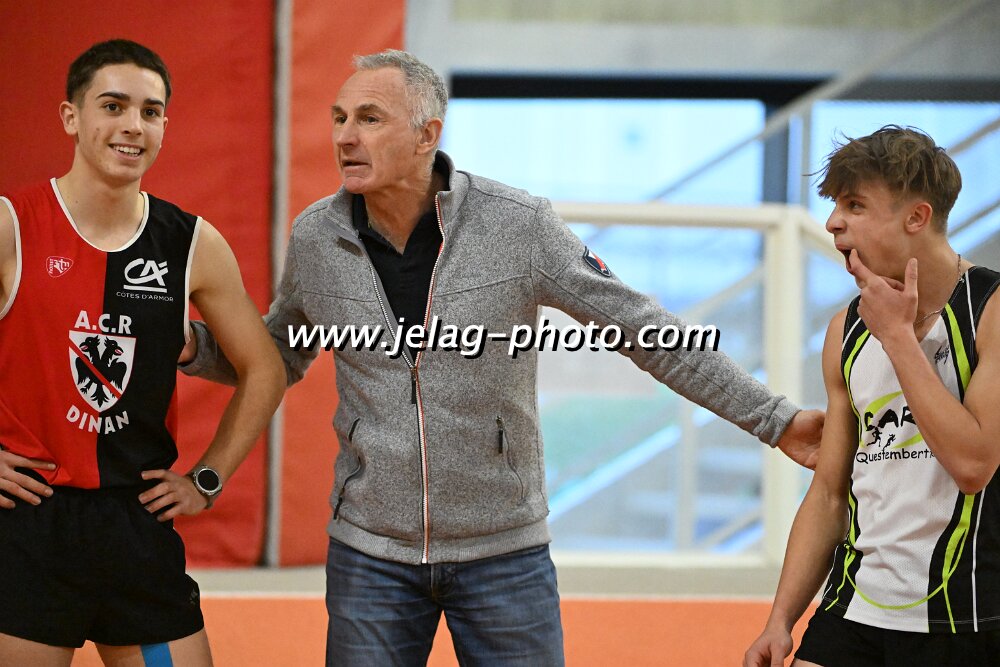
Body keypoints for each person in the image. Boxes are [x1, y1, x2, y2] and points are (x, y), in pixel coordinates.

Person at [181, 49, 823, 666]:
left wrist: (774, 419)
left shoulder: (519, 226)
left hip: (504, 554)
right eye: (340, 118)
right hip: (369, 552)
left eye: (370, 119)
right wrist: (190, 346)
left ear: (427, 134)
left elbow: (645, 330)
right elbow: (277, 355)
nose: (346, 137)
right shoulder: (316, 236)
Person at [0, 40, 285, 666]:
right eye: (113, 106)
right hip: (27, 527)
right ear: (71, 117)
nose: (133, 125)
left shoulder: (192, 242)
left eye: (150, 112)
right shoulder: (11, 224)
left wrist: (207, 479)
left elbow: (264, 368)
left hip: (136, 527)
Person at [744, 126, 1000, 667]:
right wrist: (780, 619)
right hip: (853, 607)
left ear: (917, 217)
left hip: (966, 617)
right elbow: (828, 493)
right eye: (835, 206)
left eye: (855, 205)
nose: (833, 222)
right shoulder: (846, 329)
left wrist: (899, 338)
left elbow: (974, 464)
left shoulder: (991, 310)